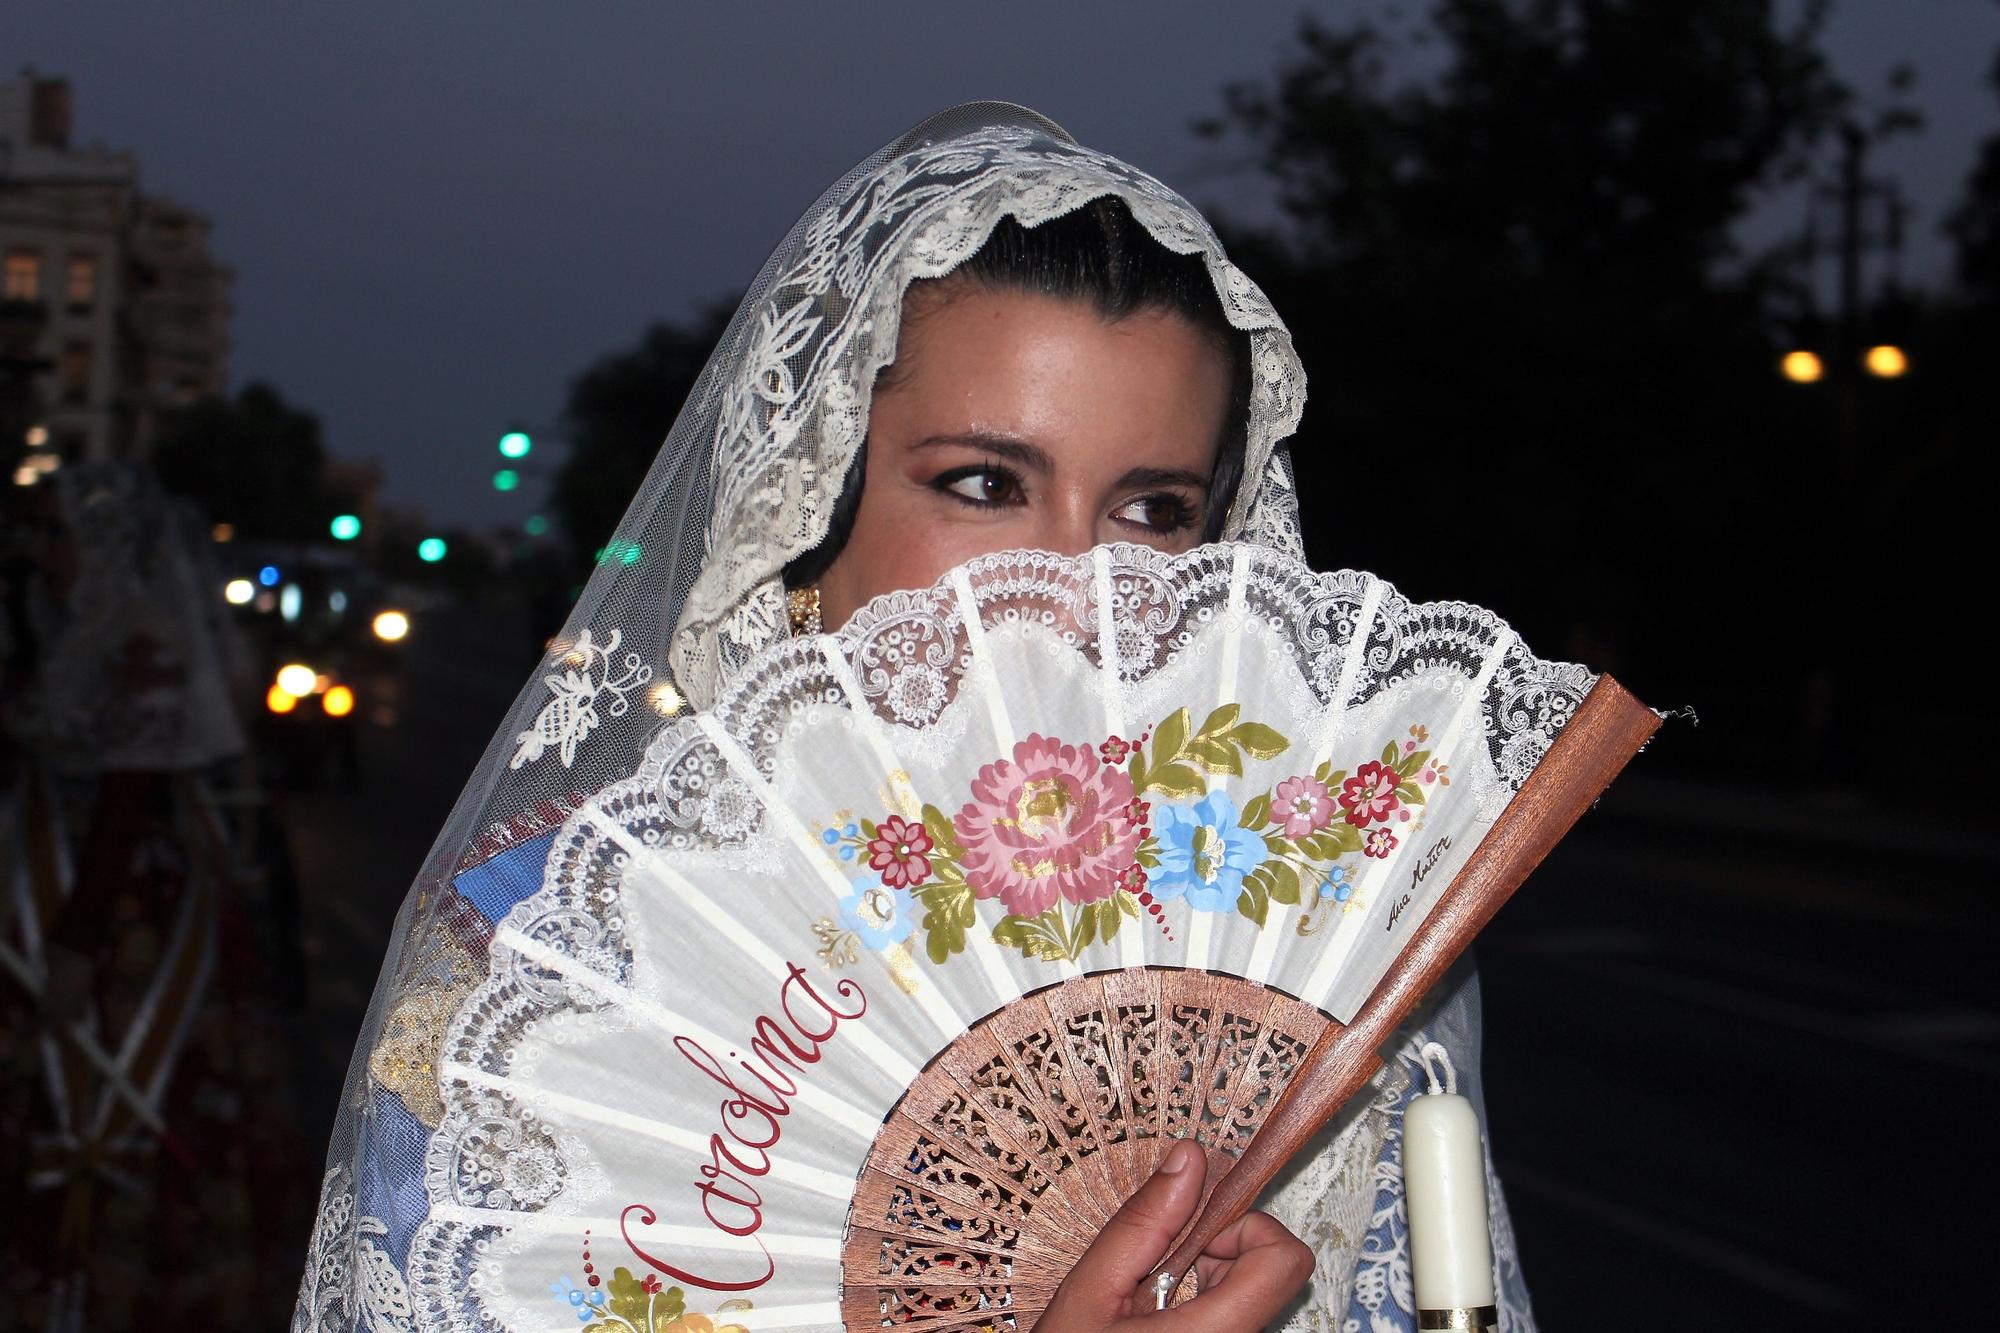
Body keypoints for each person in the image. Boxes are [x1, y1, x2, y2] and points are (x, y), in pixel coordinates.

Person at [292, 103, 1534, 1333]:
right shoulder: (546, 967)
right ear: (801, 527)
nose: (1076, 594)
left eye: (1152, 510)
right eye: (984, 485)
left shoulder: (1326, 951)